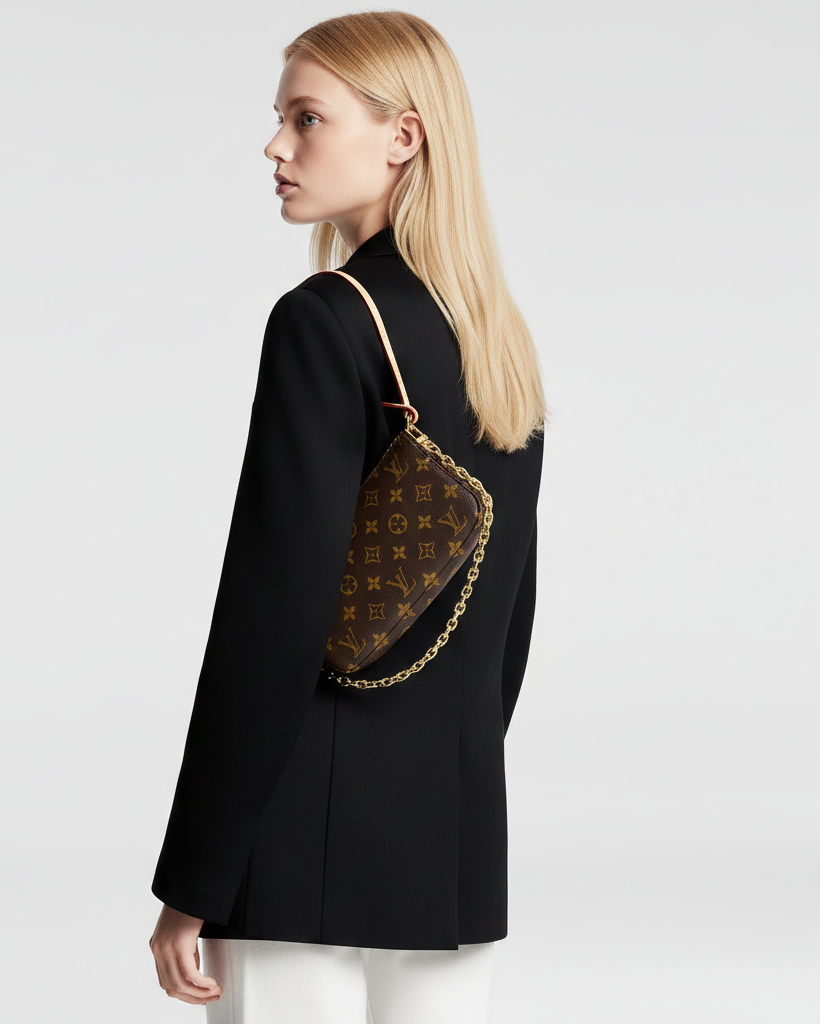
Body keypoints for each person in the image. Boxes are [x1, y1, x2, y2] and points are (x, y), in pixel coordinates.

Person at [148, 11, 548, 1023]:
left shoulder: (322, 320)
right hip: (452, 832)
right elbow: (508, 619)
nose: (275, 147)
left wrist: (196, 874)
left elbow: (269, 620)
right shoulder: (494, 337)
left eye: (306, 118)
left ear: (403, 136)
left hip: (295, 831)